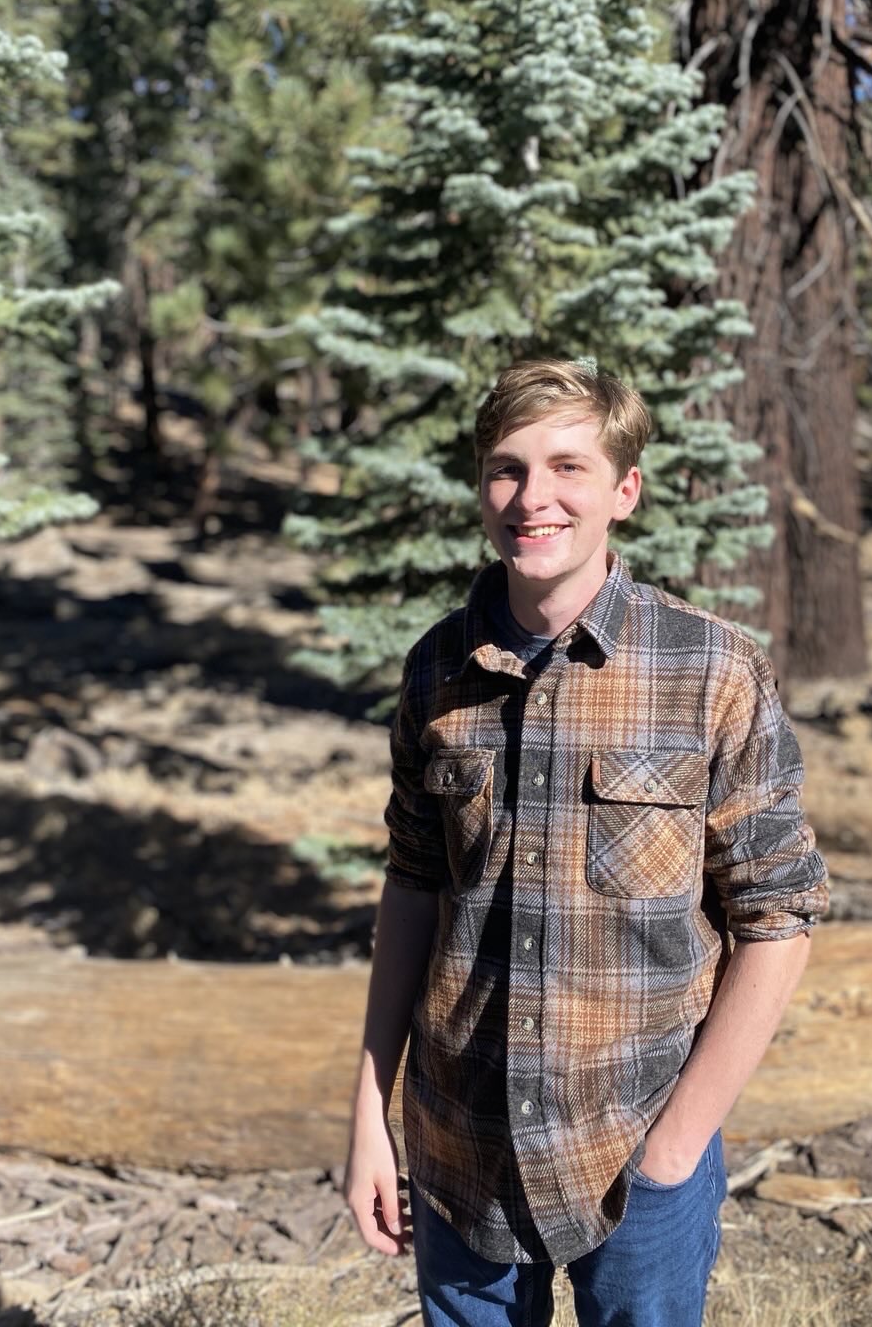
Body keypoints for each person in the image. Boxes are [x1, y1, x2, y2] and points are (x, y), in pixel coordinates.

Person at [344, 358, 829, 1327]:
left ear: (625, 491)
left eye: (568, 467)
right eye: (508, 469)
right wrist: (369, 1113)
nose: (534, 498)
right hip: (458, 1143)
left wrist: (676, 1147)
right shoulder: (437, 667)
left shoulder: (711, 669)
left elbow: (779, 917)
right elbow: (413, 887)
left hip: (637, 1149)